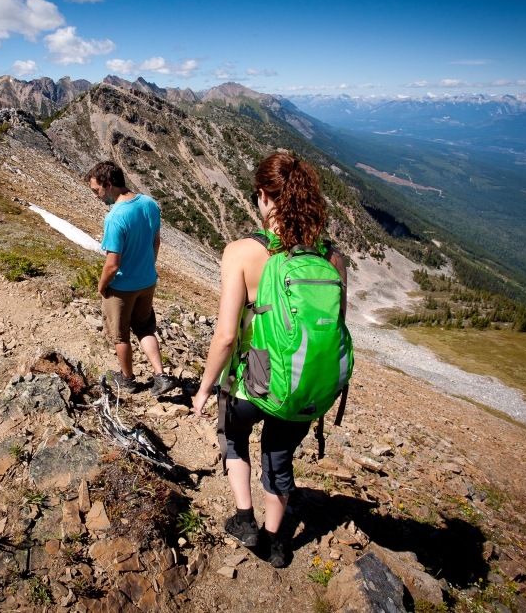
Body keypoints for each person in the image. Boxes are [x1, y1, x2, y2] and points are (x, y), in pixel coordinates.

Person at [192, 152, 348, 568]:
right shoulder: (333, 260)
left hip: (253, 383)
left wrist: (205, 389)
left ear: (263, 197)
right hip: (302, 385)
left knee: (234, 434)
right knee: (279, 459)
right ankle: (277, 543)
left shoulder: (241, 252)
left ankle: (244, 519)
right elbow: (334, 331)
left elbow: (226, 336)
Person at [85, 160, 175, 396]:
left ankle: (128, 379)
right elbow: (156, 241)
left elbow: (112, 265)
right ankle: (160, 376)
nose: (96, 196)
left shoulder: (115, 217)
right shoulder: (149, 203)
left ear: (109, 184)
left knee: (120, 335)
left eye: (97, 190)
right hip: (147, 281)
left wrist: (102, 286)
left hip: (122, 287)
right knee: (145, 328)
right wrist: (147, 266)